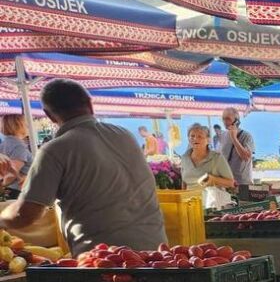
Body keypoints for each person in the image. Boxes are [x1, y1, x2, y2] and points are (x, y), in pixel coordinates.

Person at [0, 79, 164, 256]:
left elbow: (25, 215)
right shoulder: (124, 135)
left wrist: (1, 217)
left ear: (49, 115)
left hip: (106, 260)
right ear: (90, 104)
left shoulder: (55, 150)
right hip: (156, 252)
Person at [180, 124, 236, 190]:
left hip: (211, 199)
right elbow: (184, 183)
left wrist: (214, 180)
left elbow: (231, 183)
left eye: (200, 136)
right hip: (190, 199)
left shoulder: (217, 158)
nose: (195, 139)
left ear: (208, 140)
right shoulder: (184, 158)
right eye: (192, 136)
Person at [220, 107, 255, 186]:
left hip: (242, 183)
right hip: (227, 182)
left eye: (228, 119)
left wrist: (234, 139)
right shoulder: (223, 135)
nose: (225, 122)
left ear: (236, 121)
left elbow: (246, 157)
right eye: (223, 119)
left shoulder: (246, 136)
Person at [0, 115, 32, 194]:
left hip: (10, 191)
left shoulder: (4, 144)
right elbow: (11, 173)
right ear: (19, 125)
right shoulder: (18, 145)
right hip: (17, 192)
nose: (27, 126)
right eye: (25, 123)